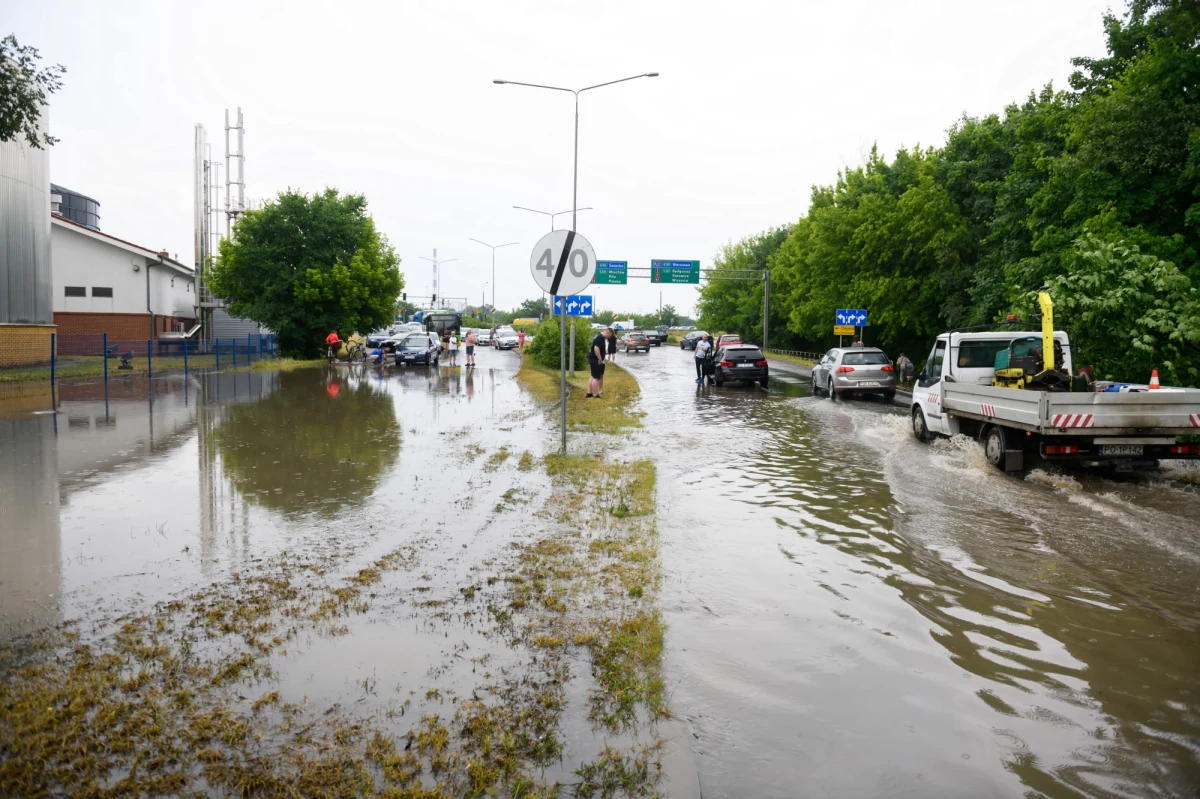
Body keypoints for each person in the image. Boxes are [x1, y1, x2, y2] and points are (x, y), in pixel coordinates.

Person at [587, 327, 612, 398]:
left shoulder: (598, 335)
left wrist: (604, 352)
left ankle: (589, 393)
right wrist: (600, 358)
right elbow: (596, 348)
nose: (608, 338)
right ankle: (595, 394)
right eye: (609, 336)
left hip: (592, 358)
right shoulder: (600, 337)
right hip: (596, 359)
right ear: (607, 332)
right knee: (596, 378)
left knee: (593, 376)